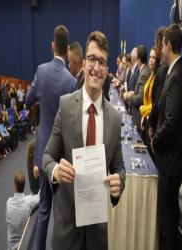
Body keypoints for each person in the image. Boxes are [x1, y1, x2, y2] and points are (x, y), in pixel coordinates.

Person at [43, 30, 126, 250]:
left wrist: (120, 183)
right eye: (91, 59)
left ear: (107, 71)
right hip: (67, 226)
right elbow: (47, 156)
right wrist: (55, 172)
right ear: (83, 64)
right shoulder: (66, 105)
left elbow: (119, 168)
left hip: (97, 230)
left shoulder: (115, 118)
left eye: (101, 62)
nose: (96, 67)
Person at [25, 25, 77, 250]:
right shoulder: (72, 82)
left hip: (44, 150)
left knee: (44, 209)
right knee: (60, 208)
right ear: (67, 51)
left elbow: (27, 101)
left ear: (53, 46)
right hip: (63, 156)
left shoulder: (41, 70)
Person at [151, 24, 182, 250]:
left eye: (162, 45)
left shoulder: (177, 75)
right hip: (171, 160)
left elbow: (171, 123)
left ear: (167, 45)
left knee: (168, 226)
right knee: (166, 220)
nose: (159, 50)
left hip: (171, 162)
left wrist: (155, 141)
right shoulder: (173, 71)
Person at [6, 171, 39, 250]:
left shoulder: (8, 203)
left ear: (15, 187)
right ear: (24, 186)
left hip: (11, 246)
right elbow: (40, 197)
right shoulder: (29, 201)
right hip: (23, 245)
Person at [148, 27, 169, 137]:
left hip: (158, 125)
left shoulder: (163, 69)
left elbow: (158, 101)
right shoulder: (161, 67)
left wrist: (150, 122)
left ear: (158, 44)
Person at [139, 47, 160, 158]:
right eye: (150, 57)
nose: (151, 60)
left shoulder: (157, 78)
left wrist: (143, 110)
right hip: (146, 119)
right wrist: (143, 116)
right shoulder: (150, 77)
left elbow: (155, 105)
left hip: (152, 122)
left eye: (154, 58)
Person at [126, 45, 150, 136]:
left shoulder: (143, 73)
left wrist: (130, 97)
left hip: (139, 119)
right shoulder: (145, 70)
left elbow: (140, 98)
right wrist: (134, 93)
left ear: (138, 60)